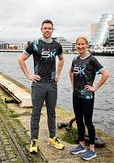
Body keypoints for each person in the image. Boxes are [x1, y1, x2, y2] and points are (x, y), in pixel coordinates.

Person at [18, 19, 65, 153]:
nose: (47, 30)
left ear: (52, 30)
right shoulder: (35, 44)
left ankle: (52, 138)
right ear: (41, 29)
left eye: (49, 28)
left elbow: (62, 59)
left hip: (51, 84)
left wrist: (58, 74)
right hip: (38, 84)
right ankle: (33, 141)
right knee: (36, 114)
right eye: (45, 28)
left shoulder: (57, 45)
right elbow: (21, 59)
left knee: (52, 113)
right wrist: (28, 75)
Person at [69, 36, 109, 161]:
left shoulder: (92, 59)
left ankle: (91, 149)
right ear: (76, 45)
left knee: (88, 122)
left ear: (86, 45)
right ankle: (81, 145)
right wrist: (73, 85)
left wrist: (95, 87)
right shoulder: (75, 59)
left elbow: (105, 74)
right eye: (78, 44)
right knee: (79, 121)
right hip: (76, 95)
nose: (80, 46)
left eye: (82, 44)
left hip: (87, 96)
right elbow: (71, 72)